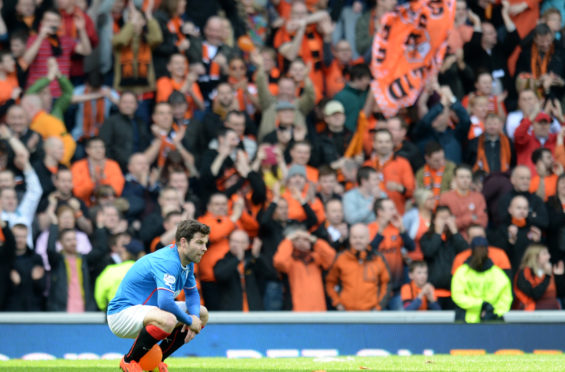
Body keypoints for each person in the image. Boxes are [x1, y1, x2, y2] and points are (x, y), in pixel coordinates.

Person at [107, 220, 210, 372]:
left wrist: (193, 318)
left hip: (148, 311)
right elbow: (165, 303)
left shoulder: (187, 261)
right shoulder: (167, 261)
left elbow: (192, 293)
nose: (204, 248)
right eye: (200, 243)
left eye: (205, 243)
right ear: (183, 242)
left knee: (202, 314)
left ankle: (157, 361)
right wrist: (188, 320)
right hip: (121, 314)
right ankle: (129, 360)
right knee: (169, 319)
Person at [325, 223, 391, 311]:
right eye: (354, 237)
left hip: (371, 314)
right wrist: (337, 303)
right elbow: (330, 282)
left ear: (368, 238)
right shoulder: (341, 258)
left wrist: (378, 307)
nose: (358, 240)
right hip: (346, 314)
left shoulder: (377, 258)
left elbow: (386, 283)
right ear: (350, 239)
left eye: (361, 237)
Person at [273, 226, 336, 311]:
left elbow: (331, 255)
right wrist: (288, 241)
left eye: (305, 239)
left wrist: (314, 240)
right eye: (298, 239)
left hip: (319, 311)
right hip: (297, 312)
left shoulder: (316, 258)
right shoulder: (289, 260)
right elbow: (280, 261)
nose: (303, 242)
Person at [451, 237, 513, 323]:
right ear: (488, 251)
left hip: (466, 322)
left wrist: (480, 305)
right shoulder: (498, 274)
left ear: (471, 251)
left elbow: (458, 296)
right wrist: (492, 311)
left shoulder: (461, 272)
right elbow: (506, 299)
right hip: (492, 321)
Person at [438, 164, 488, 237]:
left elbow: (483, 221)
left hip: (475, 238)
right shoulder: (445, 197)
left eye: (468, 177)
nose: (465, 180)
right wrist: (471, 217)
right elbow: (446, 224)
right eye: (461, 177)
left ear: (471, 179)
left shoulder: (478, 197)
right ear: (455, 179)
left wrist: (458, 221)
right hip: (453, 238)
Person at [514, 244, 564, 310]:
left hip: (552, 310)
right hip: (531, 312)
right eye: (544, 254)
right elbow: (535, 294)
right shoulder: (524, 273)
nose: (549, 257)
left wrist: (559, 277)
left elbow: (560, 294)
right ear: (535, 257)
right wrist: (547, 276)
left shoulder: (549, 271)